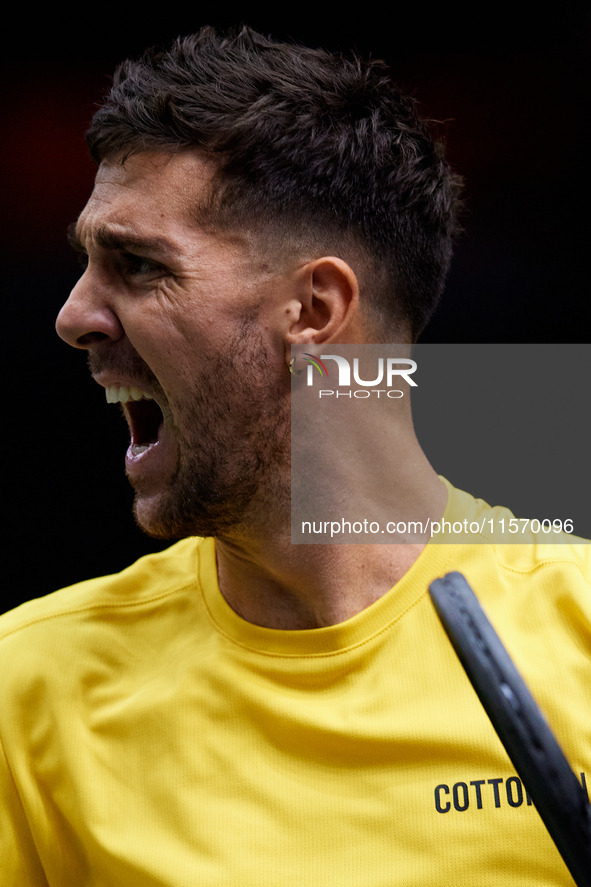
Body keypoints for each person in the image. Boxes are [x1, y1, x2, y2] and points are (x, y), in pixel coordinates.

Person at [1, 25, 589, 886]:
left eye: (137, 265)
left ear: (314, 310)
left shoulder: (578, 632)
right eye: (87, 261)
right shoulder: (29, 690)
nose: (72, 315)